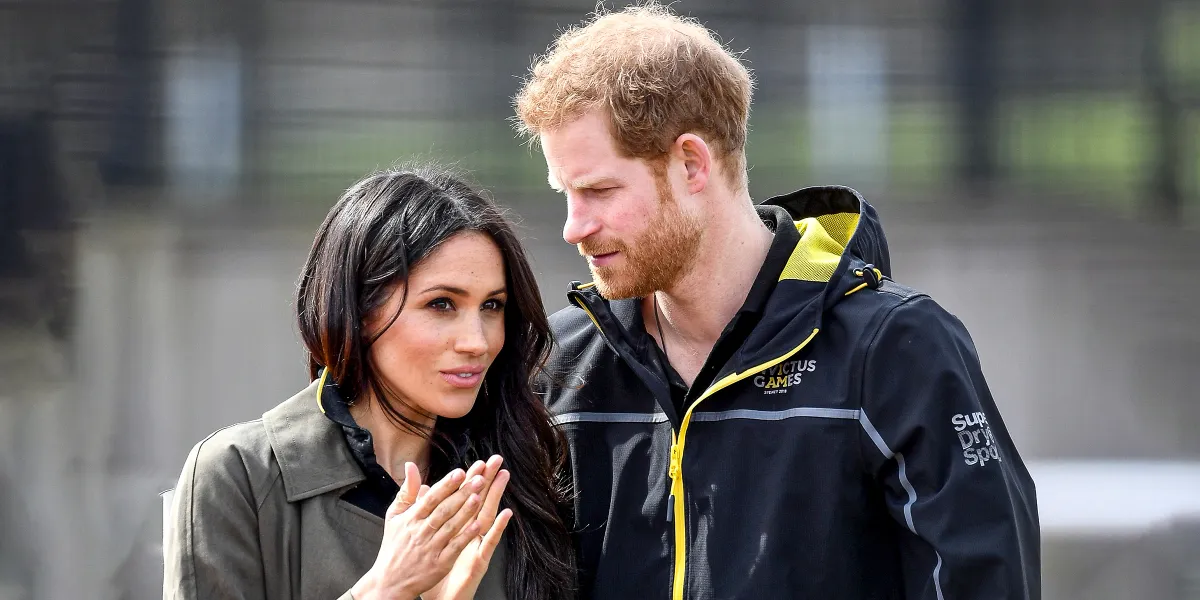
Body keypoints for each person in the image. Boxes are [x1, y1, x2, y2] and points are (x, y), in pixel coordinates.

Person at [513, 4, 1040, 599]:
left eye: (599, 191)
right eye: (565, 194)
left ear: (692, 163)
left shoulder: (897, 350)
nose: (572, 227)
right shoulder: (558, 367)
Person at [163, 166, 577, 600]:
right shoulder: (239, 477)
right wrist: (385, 590)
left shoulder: (529, 481)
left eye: (492, 305)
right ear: (359, 311)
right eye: (441, 304)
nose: (478, 341)